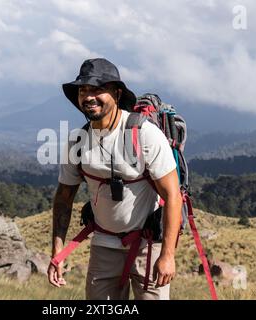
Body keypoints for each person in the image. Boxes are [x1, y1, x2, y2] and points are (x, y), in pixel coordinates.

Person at [48, 58, 183, 300]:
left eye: (97, 89)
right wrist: (57, 251)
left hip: (147, 247)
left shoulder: (143, 134)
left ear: (117, 93)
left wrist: (168, 255)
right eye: (83, 90)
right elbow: (63, 198)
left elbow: (173, 196)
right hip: (103, 247)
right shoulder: (77, 141)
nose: (88, 97)